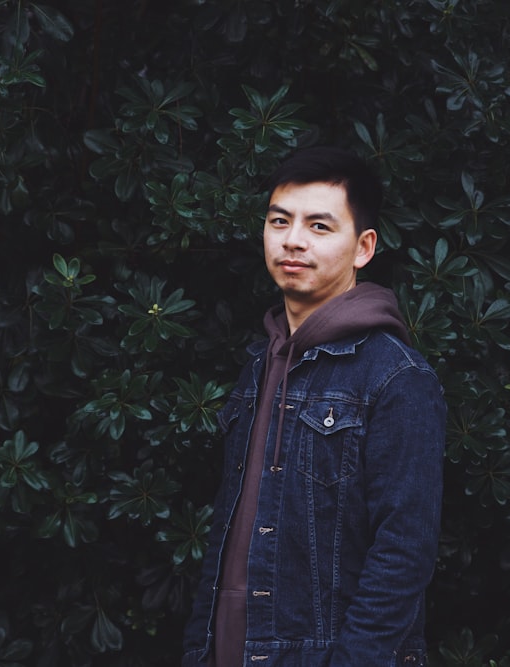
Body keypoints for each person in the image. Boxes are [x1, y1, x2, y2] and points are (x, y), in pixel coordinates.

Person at [181, 147, 446, 667]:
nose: (293, 240)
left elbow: (404, 551)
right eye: (280, 221)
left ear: (363, 248)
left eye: (320, 226)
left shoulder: (395, 377)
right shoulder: (259, 365)